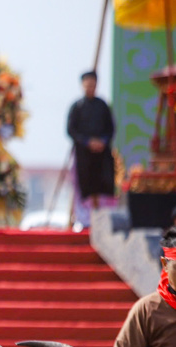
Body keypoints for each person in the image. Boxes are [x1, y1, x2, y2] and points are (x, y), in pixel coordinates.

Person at [67, 70, 115, 229]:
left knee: (102, 186)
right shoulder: (77, 107)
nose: (90, 87)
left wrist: (102, 141)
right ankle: (84, 220)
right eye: (87, 84)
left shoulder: (102, 105)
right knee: (84, 187)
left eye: (92, 84)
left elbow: (111, 128)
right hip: (83, 155)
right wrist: (88, 142)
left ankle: (102, 220)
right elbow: (71, 130)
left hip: (101, 155)